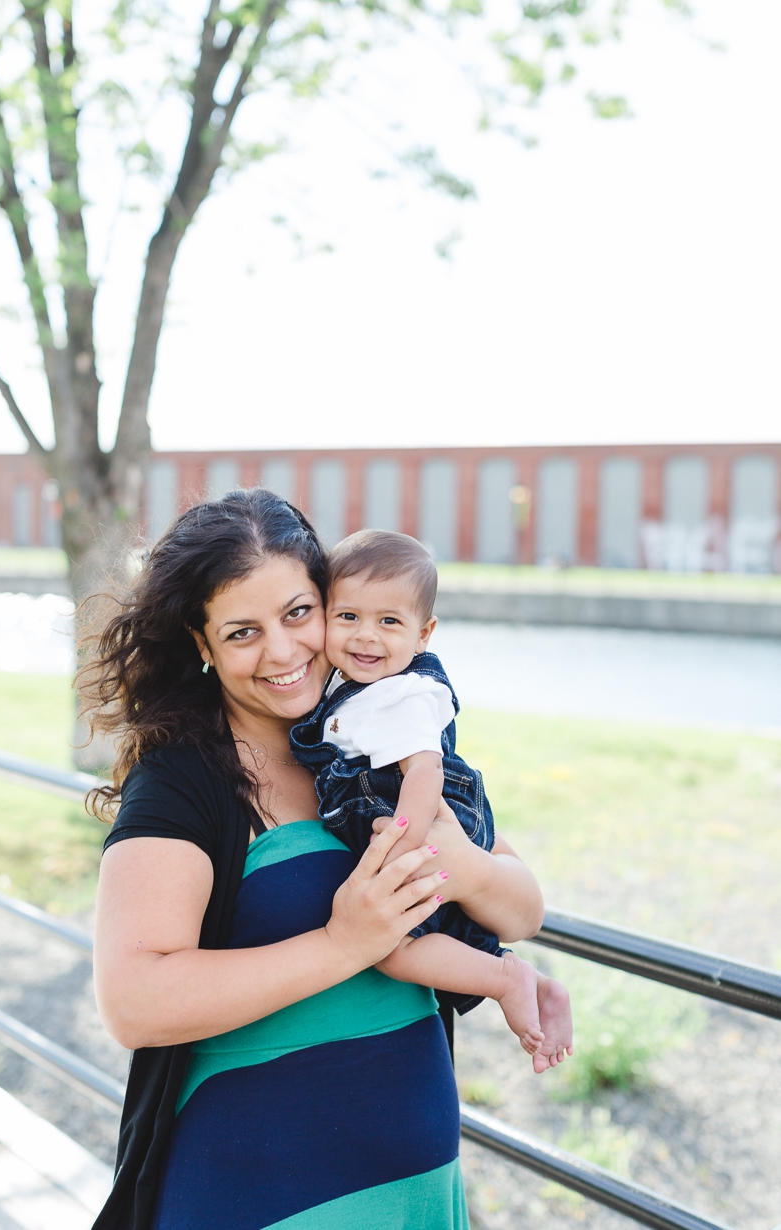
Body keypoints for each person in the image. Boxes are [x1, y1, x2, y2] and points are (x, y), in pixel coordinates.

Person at [86, 488, 546, 1230]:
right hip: (261, 1201)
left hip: (417, 1197)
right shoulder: (182, 782)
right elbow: (133, 999)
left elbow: (523, 910)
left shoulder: (376, 735)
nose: (283, 651)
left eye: (299, 614)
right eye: (242, 632)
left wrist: (468, 867)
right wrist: (344, 945)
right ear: (201, 645)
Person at [291, 529, 573, 1072]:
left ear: (424, 634)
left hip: (413, 817)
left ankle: (505, 978)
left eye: (388, 622)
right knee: (447, 929)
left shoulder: (402, 695)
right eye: (347, 617)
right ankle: (533, 985)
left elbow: (424, 771)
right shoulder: (353, 682)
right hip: (401, 815)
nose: (365, 637)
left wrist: (405, 845)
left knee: (395, 951)